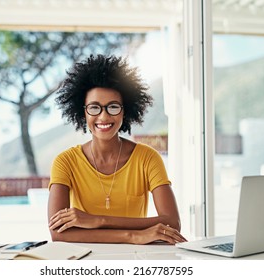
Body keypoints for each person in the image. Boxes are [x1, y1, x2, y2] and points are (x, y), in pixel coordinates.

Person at [48, 54, 187, 244]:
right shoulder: (65, 162)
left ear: (125, 110)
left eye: (113, 107)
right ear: (83, 112)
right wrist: (133, 235)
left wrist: (96, 221)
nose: (104, 117)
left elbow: (171, 222)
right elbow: (58, 233)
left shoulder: (147, 158)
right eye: (94, 108)